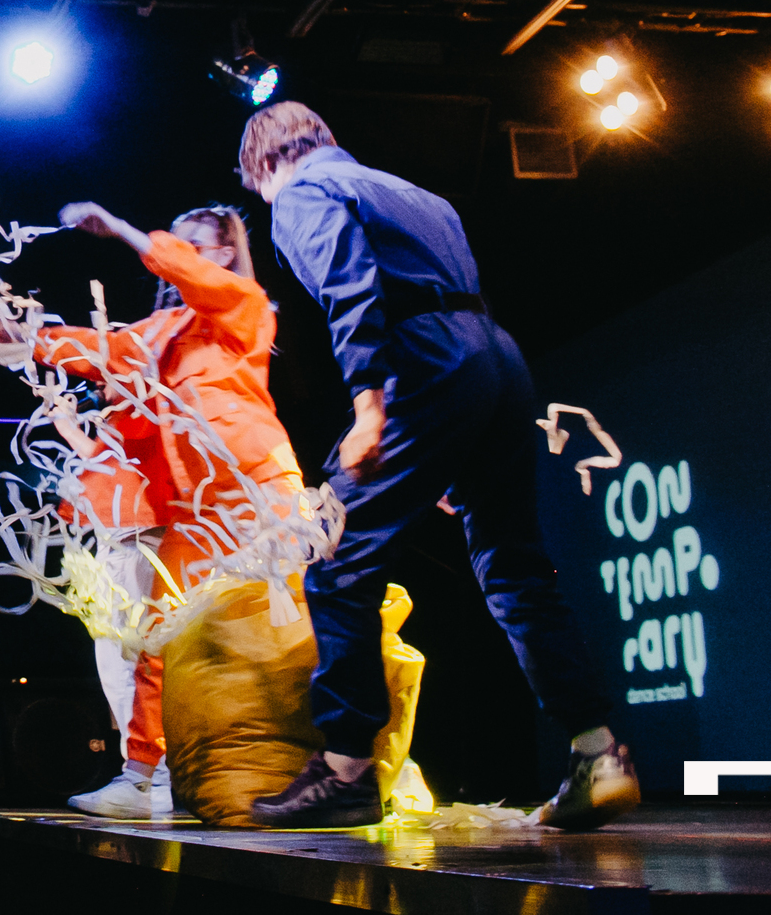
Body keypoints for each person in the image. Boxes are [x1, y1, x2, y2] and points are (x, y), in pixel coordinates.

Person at [237, 101, 637, 830]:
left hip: (422, 358)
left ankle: (346, 769)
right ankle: (598, 752)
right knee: (515, 569)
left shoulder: (302, 192)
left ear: (265, 164)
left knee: (335, 554)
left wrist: (368, 404)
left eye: (259, 189)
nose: (267, 203)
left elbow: (349, 285)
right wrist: (450, 449)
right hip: (495, 357)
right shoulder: (419, 196)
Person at [0, 202, 305, 819]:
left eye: (191, 245)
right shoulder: (161, 331)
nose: (172, 252)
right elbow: (101, 349)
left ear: (223, 254)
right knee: (158, 637)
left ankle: (322, 765)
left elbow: (193, 276)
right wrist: (28, 339)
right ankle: (145, 778)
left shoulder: (245, 306)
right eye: (174, 243)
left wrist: (118, 227)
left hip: (255, 492)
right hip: (191, 507)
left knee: (287, 632)